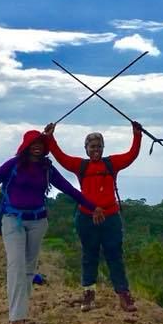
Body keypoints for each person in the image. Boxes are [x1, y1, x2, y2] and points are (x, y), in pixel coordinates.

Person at [0, 130, 104, 324]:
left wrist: (92, 206)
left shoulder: (47, 168)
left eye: (41, 144)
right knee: (16, 265)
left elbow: (69, 190)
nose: (37, 146)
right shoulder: (14, 164)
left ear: (45, 147)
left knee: (28, 269)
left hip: (38, 221)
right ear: (26, 145)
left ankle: (20, 311)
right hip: (12, 220)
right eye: (33, 143)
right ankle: (16, 317)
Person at [43, 120, 142, 313]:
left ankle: (123, 295)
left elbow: (131, 156)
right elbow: (60, 157)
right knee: (89, 256)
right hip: (86, 218)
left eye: (98, 146)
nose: (95, 149)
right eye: (92, 146)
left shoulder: (111, 163)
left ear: (103, 148)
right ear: (86, 149)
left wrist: (137, 135)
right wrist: (50, 137)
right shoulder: (80, 166)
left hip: (110, 217)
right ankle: (88, 294)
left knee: (115, 256)